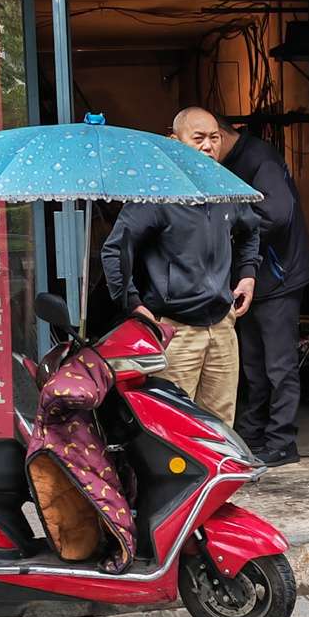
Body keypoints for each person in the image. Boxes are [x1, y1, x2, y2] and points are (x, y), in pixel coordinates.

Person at [100, 107, 260, 426]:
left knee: (220, 424)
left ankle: (217, 478)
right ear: (174, 141)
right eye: (198, 138)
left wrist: (247, 275)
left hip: (222, 325)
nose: (208, 146)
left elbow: (252, 228)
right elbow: (115, 249)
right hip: (176, 330)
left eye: (214, 138)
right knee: (173, 423)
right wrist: (132, 304)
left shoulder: (225, 189)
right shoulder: (158, 194)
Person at [217, 116, 309, 467]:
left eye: (210, 137)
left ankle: (283, 441)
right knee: (254, 364)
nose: (205, 147)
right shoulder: (231, 161)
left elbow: (278, 215)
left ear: (224, 134)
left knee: (279, 365)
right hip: (251, 279)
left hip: (278, 276)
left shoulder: (260, 159)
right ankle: (253, 433)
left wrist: (229, 228)